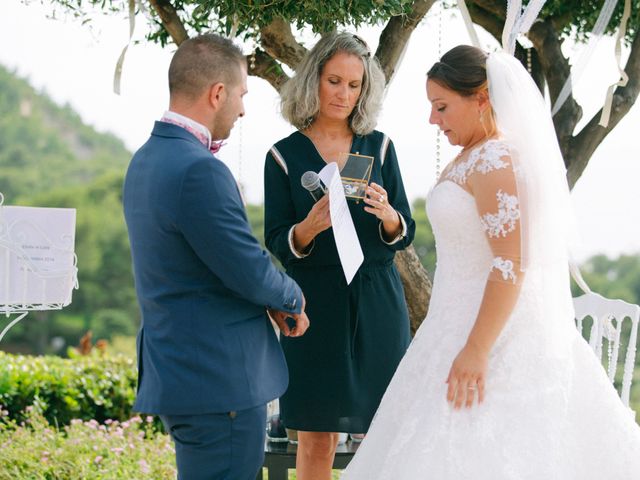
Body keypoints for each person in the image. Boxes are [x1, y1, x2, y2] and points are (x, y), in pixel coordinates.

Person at [342, 44, 640, 479]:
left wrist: (477, 350)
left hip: (496, 340)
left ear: (481, 97)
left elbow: (510, 263)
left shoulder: (497, 158)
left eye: (441, 107)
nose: (433, 120)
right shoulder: (472, 156)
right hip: (449, 326)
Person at [123, 34, 310, 480]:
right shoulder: (199, 169)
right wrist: (290, 297)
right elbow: (246, 265)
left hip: (182, 371)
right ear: (217, 93)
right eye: (243, 94)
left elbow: (204, 262)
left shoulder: (145, 160)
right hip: (218, 380)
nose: (243, 109)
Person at [263, 32, 416, 480]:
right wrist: (308, 228)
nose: (344, 94)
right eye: (335, 81)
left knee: (384, 429)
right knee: (315, 435)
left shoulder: (381, 146)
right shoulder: (282, 156)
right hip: (314, 302)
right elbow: (277, 240)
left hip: (378, 296)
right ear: (314, 80)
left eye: (354, 85)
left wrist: (388, 216)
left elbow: (403, 230)